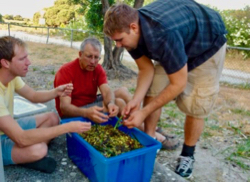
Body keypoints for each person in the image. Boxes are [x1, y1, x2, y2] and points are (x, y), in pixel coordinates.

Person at [103, 0, 227, 178]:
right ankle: (149, 141)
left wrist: (144, 113)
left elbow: (178, 84)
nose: (118, 46)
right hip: (178, 39)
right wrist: (136, 101)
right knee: (153, 88)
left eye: (120, 40)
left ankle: (187, 154)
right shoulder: (131, 33)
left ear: (133, 27)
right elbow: (146, 70)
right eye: (115, 41)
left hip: (207, 43)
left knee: (196, 104)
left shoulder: (162, 34)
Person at [0, 36, 91, 173]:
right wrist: (67, 127)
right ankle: (27, 156)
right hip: (3, 140)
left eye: (27, 57)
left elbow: (34, 96)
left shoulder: (12, 77)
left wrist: (56, 91)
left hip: (9, 128)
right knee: (39, 149)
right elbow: (21, 138)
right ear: (5, 63)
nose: (29, 62)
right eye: (22, 59)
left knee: (53, 118)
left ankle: (24, 155)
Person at [54, 37, 131, 123]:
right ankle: (129, 129)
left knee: (123, 91)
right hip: (74, 111)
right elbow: (65, 108)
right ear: (80, 54)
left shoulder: (97, 68)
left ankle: (138, 124)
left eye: (96, 57)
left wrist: (110, 103)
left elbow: (106, 91)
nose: (93, 61)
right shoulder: (66, 71)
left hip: (91, 102)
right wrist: (87, 113)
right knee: (119, 103)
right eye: (89, 56)